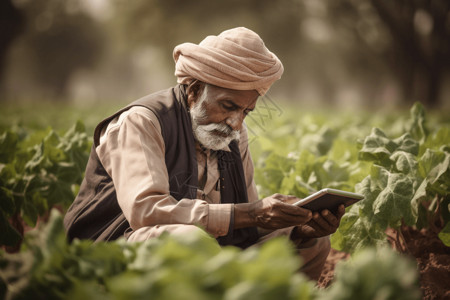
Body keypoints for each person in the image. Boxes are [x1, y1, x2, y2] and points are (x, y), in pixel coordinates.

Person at [63, 27, 345, 281]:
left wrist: (298, 228)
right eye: (228, 105)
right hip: (114, 251)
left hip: (209, 257)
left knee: (310, 244)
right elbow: (146, 212)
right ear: (194, 91)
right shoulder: (142, 122)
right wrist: (252, 213)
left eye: (245, 112)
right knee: (188, 240)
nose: (236, 123)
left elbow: (246, 218)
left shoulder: (234, 135)